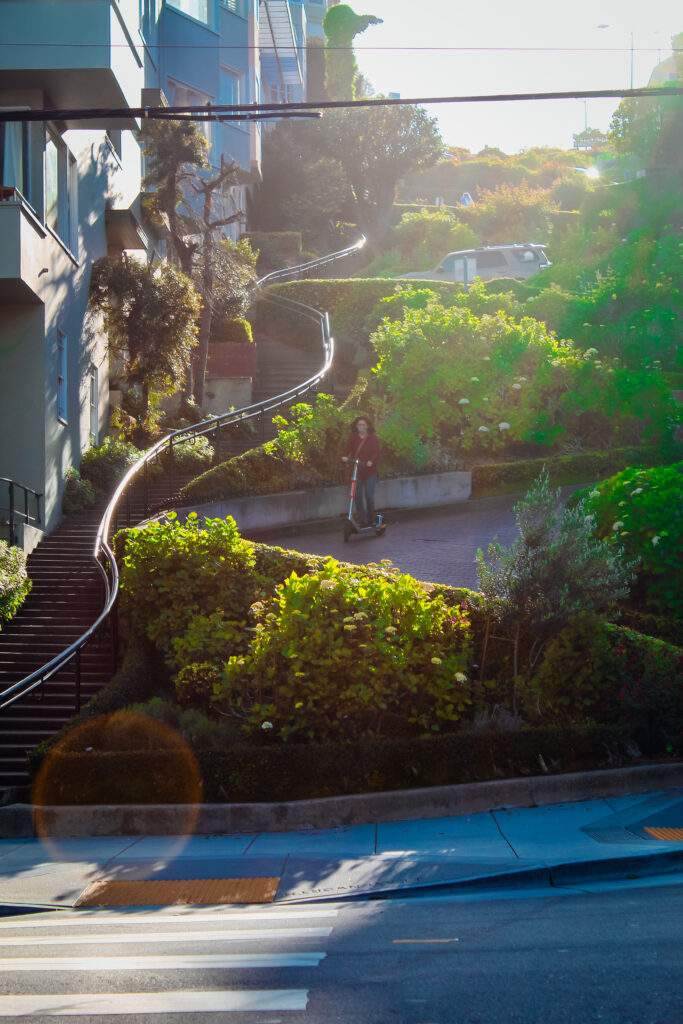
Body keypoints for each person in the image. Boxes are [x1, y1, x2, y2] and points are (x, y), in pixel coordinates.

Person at [341, 415, 380, 527]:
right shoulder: (353, 438)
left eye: (363, 425)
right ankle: (363, 519)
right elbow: (346, 449)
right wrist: (344, 456)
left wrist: (371, 462)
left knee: (369, 495)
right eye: (359, 425)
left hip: (370, 472)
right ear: (356, 426)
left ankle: (371, 519)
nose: (361, 427)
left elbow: (376, 453)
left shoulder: (373, 438)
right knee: (357, 496)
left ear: (367, 426)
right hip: (357, 471)